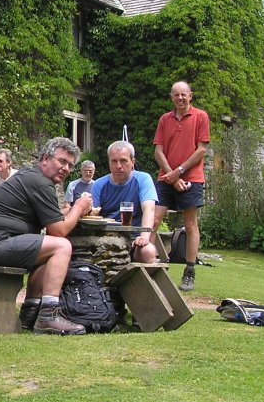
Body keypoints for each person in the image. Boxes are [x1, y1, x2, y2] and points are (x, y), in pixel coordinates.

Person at [0, 137, 92, 335]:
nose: (66, 168)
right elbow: (58, 231)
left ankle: (30, 312)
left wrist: (74, 212)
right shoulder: (39, 182)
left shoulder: (32, 177)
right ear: (44, 159)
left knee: (47, 253)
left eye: (69, 165)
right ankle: (49, 316)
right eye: (61, 161)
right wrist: (78, 207)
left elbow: (53, 221)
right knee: (61, 246)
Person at [150, 81, 210, 291]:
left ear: (190, 96)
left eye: (183, 94)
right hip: (166, 178)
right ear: (171, 97)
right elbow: (158, 151)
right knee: (153, 219)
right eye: (176, 95)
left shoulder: (201, 116)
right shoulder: (164, 119)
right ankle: (144, 264)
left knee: (190, 224)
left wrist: (179, 172)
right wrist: (171, 175)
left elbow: (201, 150)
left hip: (192, 177)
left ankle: (189, 271)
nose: (180, 98)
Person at [90, 141, 159, 263]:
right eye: (114, 161)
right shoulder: (98, 184)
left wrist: (144, 236)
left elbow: (149, 209)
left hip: (134, 239)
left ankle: (142, 282)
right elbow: (93, 215)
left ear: (132, 162)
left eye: (123, 161)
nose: (118, 166)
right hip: (105, 238)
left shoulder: (143, 179)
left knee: (148, 252)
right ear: (109, 162)